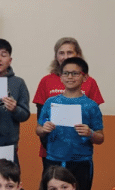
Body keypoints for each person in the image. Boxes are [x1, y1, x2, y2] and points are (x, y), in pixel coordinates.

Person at [36, 57, 104, 190]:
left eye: (75, 73)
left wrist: (90, 133)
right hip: (53, 160)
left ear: (85, 77)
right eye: (66, 73)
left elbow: (100, 137)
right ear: (60, 77)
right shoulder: (51, 102)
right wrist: (44, 129)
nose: (70, 77)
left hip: (81, 162)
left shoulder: (91, 106)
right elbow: (38, 129)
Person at [33, 37, 104, 166]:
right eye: (61, 53)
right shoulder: (46, 82)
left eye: (69, 52)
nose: (65, 57)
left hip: (81, 155)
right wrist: (45, 134)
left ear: (78, 54)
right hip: (52, 152)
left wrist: (90, 133)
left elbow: (95, 122)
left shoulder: (90, 83)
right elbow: (41, 120)